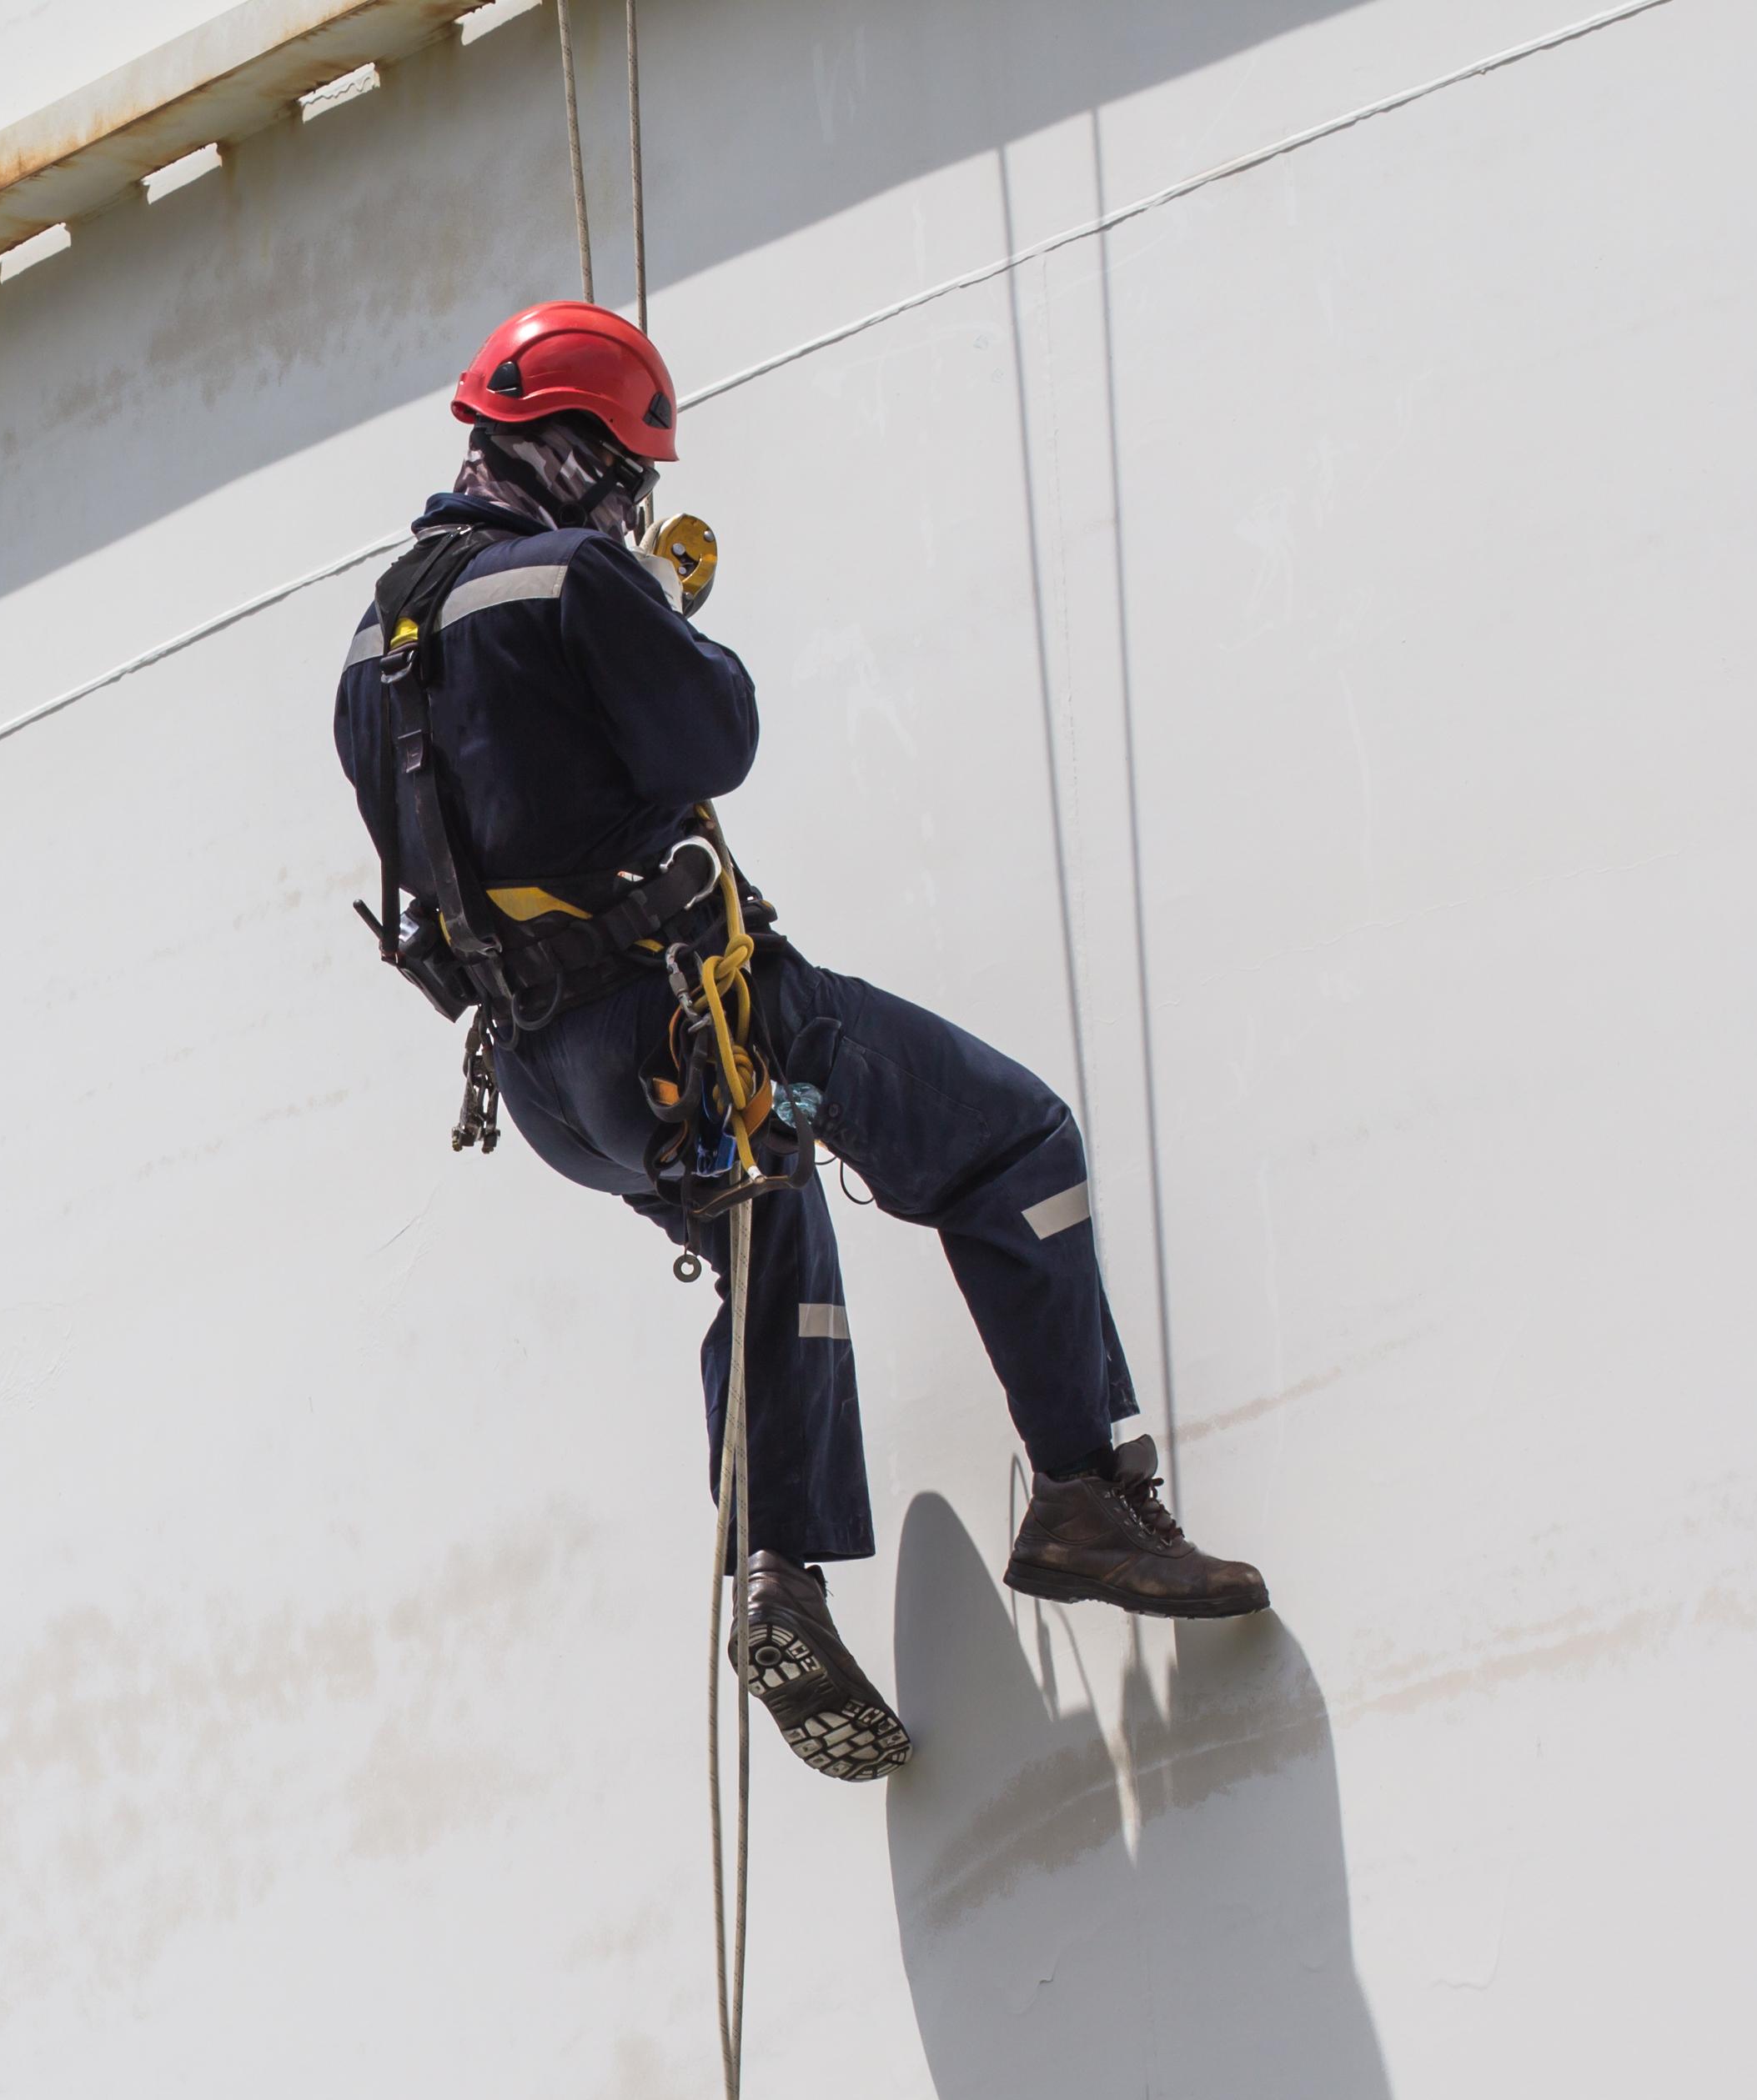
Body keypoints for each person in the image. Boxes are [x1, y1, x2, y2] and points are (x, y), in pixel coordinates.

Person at [333, 302, 1266, 1782]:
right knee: (1013, 1138)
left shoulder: (374, 651)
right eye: (628, 476)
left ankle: (780, 1572)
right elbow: (715, 744)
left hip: (549, 1084)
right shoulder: (575, 578)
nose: (635, 505)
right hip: (680, 1006)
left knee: (763, 1207)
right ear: (576, 456)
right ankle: (1086, 1490)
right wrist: (648, 606)